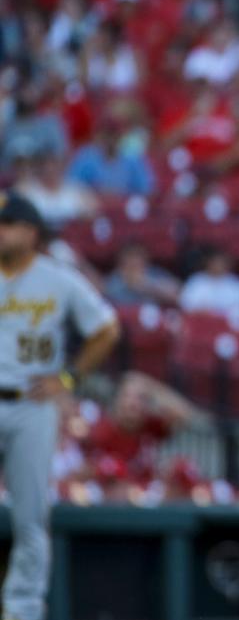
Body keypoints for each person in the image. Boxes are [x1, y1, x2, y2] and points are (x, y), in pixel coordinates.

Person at [0, 191, 121, 620]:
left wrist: (68, 378)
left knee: (31, 515)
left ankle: (23, 609)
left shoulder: (56, 277)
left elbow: (106, 328)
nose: (1, 230)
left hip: (32, 404)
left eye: (8, 223)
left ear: (32, 232)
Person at [178, 245, 239, 314]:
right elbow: (186, 304)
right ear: (208, 263)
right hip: (201, 325)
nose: (218, 265)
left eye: (221, 262)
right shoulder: (196, 281)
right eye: (215, 262)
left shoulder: (236, 283)